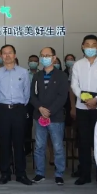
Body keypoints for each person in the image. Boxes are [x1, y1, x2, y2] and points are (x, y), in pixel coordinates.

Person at [70, 35, 97, 185]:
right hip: (82, 108)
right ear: (82, 46)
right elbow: (74, 85)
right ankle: (85, 174)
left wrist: (96, 100)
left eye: (93, 45)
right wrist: (85, 99)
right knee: (84, 142)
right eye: (87, 45)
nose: (90, 47)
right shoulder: (77, 65)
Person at [0, 44, 32, 185]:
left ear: (15, 55)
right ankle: (5, 173)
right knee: (4, 142)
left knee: (19, 142)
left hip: (19, 110)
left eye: (10, 53)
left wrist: (19, 106)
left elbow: (27, 93)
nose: (7, 55)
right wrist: (0, 106)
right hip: (2, 110)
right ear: (1, 56)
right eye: (4, 53)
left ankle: (21, 174)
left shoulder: (23, 72)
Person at [29, 47, 69, 185]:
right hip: (39, 116)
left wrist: (49, 111)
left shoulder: (61, 76)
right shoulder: (37, 75)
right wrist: (40, 108)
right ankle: (40, 173)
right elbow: (32, 95)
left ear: (54, 57)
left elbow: (62, 96)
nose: (44, 58)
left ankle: (59, 174)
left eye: (47, 55)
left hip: (55, 117)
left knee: (58, 147)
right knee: (39, 146)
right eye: (42, 55)